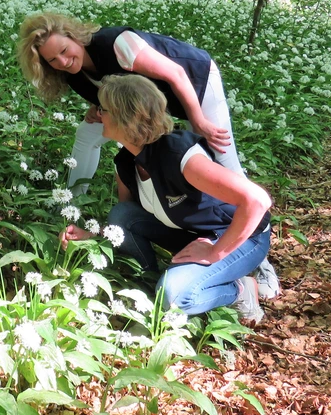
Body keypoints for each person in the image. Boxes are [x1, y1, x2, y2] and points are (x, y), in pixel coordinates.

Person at [17, 11, 280, 298]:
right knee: (86, 135)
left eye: (65, 52)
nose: (63, 62)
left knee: (226, 166)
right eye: (53, 60)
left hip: (194, 82)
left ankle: (255, 258)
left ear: (73, 36)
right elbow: (118, 104)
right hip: (144, 106)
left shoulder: (117, 43)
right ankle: (70, 202)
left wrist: (199, 122)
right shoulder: (75, 75)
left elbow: (176, 74)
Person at [60, 75, 273, 322]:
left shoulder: (180, 155)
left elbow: (257, 201)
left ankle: (239, 290)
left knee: (173, 296)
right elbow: (122, 226)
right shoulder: (126, 161)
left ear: (125, 117)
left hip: (242, 236)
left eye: (102, 109)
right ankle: (148, 284)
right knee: (123, 215)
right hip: (191, 232)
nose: (97, 115)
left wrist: (215, 252)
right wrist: (92, 238)